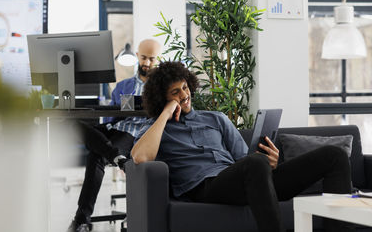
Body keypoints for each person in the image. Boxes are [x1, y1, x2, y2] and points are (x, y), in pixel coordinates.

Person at [131, 61, 354, 232]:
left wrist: (272, 164)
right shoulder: (157, 130)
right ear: (162, 99)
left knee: (334, 156)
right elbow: (140, 156)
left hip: (244, 180)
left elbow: (244, 159)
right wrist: (166, 113)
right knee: (255, 163)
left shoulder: (215, 118)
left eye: (185, 88)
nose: (184, 95)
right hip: (207, 188)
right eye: (175, 93)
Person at [68, 39, 161, 232]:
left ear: (158, 59)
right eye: (144, 58)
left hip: (135, 135)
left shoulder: (161, 88)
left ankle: (81, 220)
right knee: (72, 124)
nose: (147, 63)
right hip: (116, 128)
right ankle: (115, 155)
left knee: (95, 154)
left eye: (152, 59)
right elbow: (110, 118)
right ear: (137, 56)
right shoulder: (123, 86)